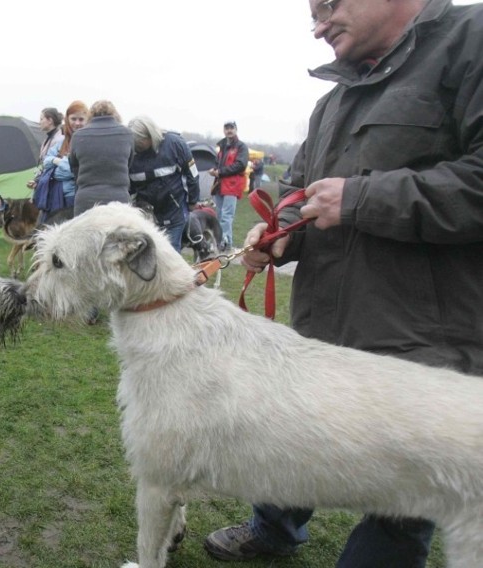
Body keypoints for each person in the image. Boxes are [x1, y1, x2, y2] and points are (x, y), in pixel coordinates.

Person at [203, 0, 483, 566]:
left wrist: (362, 199)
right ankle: (274, 527)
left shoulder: (471, 40)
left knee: (404, 498)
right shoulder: (331, 100)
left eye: (328, 4)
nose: (318, 24)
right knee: (292, 441)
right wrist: (280, 234)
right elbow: (299, 192)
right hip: (323, 332)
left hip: (422, 341)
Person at [127, 115, 200, 251]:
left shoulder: (175, 144)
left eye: (139, 141)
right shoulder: (131, 153)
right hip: (146, 213)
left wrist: (192, 201)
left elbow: (192, 175)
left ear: (150, 135)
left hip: (174, 210)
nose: (137, 145)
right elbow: (129, 185)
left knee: (170, 252)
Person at [69, 100, 134, 217]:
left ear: (90, 115)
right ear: (115, 114)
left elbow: (74, 167)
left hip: (86, 200)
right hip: (119, 200)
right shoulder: (127, 134)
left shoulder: (78, 136)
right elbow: (129, 163)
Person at [37, 100, 88, 222]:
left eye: (81, 119)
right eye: (73, 119)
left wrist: (57, 166)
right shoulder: (62, 142)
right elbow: (46, 161)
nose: (77, 123)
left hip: (77, 197)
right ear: (67, 119)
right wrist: (57, 161)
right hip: (58, 196)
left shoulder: (88, 143)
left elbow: (74, 172)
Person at [209, 121, 248, 252]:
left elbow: (240, 165)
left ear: (236, 129)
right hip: (220, 185)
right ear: (223, 130)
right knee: (219, 215)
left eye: (231, 128)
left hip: (232, 185)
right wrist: (214, 169)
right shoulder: (221, 146)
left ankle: (226, 244)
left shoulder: (241, 147)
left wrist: (221, 171)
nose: (229, 130)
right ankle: (223, 242)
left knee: (226, 216)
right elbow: (218, 163)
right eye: (227, 128)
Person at [26, 107, 64, 190]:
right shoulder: (47, 140)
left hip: (54, 186)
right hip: (46, 183)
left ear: (50, 120)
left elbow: (55, 167)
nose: (40, 122)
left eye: (41, 119)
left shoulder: (59, 140)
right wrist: (37, 181)